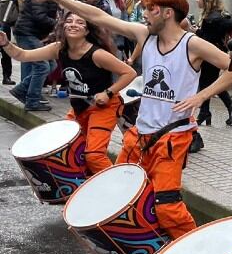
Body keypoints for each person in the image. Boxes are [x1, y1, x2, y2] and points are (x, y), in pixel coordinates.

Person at [21, 0, 232, 240]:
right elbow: (99, 17)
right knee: (120, 192)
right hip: (139, 135)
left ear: (167, 13)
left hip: (172, 138)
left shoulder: (192, 44)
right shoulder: (145, 35)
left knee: (168, 207)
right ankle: (139, 245)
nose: (144, 14)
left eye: (150, 9)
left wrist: (202, 96)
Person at [0, 12, 136, 175]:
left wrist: (108, 92)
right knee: (66, 148)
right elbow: (23, 55)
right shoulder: (59, 48)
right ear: (63, 26)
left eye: (80, 22)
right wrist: (5, 43)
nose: (73, 24)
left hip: (105, 106)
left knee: (93, 155)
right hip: (79, 107)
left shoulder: (97, 54)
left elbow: (129, 73)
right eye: (69, 21)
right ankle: (86, 184)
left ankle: (119, 189)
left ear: (87, 31)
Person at [11, 0, 61, 111]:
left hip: (33, 34)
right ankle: (32, 101)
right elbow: (39, 17)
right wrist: (59, 24)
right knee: (42, 66)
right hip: (27, 33)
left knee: (51, 65)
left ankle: (21, 90)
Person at [194, 0, 232, 130]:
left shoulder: (210, 19)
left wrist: (195, 31)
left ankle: (210, 111)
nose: (196, 0)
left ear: (205, 0)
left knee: (209, 83)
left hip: (211, 53)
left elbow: (205, 39)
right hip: (218, 51)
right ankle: (207, 111)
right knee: (210, 82)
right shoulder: (221, 14)